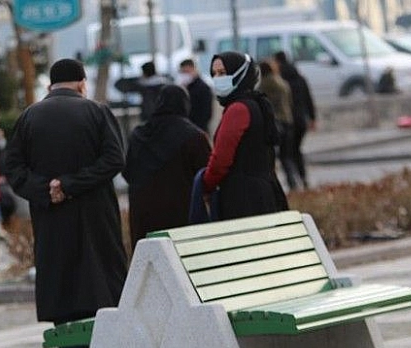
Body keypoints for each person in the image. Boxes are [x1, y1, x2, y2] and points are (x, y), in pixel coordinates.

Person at [4, 58, 128, 348]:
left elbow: (13, 169)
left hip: (51, 220)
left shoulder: (29, 118)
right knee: (99, 291)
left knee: (63, 296)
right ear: (82, 83)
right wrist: (72, 183)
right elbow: (114, 160)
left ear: (50, 86)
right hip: (95, 218)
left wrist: (47, 190)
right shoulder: (97, 113)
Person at [122, 84, 212, 251]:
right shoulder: (194, 136)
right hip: (180, 216)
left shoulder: (139, 134)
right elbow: (208, 176)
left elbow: (127, 173)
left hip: (143, 216)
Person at [201, 51, 289, 220]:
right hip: (265, 193)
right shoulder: (257, 104)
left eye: (223, 73)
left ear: (239, 74)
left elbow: (221, 160)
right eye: (215, 74)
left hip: (243, 199)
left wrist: (205, 186)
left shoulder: (237, 110)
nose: (217, 79)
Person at [273, 51, 317, 190]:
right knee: (296, 150)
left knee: (287, 153)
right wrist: (312, 118)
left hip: (288, 121)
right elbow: (308, 99)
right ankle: (303, 179)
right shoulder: (300, 78)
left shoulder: (279, 80)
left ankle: (293, 182)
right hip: (301, 120)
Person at [257, 60, 298, 190]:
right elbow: (290, 101)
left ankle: (276, 186)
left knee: (271, 157)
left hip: (276, 122)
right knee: (287, 156)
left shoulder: (264, 85)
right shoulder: (282, 82)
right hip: (287, 120)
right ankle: (293, 182)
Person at [177, 58, 214, 133]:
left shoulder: (203, 88)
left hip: (198, 130)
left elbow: (206, 113)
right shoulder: (183, 88)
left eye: (187, 72)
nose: (184, 75)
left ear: (194, 70)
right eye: (182, 72)